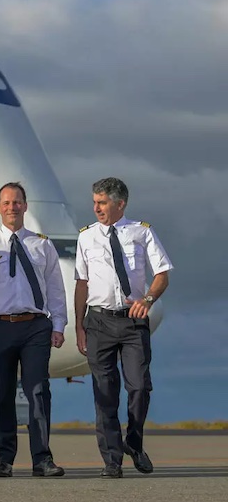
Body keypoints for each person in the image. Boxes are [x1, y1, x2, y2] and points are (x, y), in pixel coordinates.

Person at [0, 182, 67, 478]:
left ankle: (42, 459)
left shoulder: (41, 244)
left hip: (34, 326)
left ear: (25, 206)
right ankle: (4, 459)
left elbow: (56, 290)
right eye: (6, 203)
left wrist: (58, 324)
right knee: (1, 393)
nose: (12, 207)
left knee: (38, 390)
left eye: (17, 202)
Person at [74, 177, 172, 478]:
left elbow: (162, 273)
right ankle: (112, 460)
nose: (96, 208)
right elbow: (81, 283)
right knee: (104, 393)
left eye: (102, 203)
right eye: (94, 202)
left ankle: (134, 441)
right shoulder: (86, 237)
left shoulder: (141, 232)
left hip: (132, 319)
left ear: (120, 203)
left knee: (140, 386)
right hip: (99, 321)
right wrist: (79, 326)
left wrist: (149, 298)